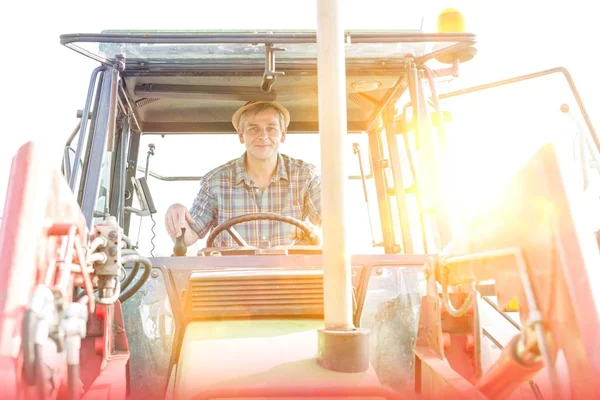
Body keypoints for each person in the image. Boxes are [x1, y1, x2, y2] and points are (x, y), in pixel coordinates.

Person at [164, 101, 322, 248]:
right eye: (254, 128)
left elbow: (333, 222)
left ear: (283, 135)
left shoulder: (305, 176)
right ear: (241, 135)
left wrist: (314, 231)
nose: (263, 136)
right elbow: (188, 237)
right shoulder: (216, 182)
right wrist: (176, 215)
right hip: (230, 275)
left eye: (271, 128)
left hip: (292, 275)